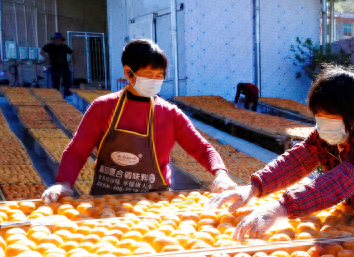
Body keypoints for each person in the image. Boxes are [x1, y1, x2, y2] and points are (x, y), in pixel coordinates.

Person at [210, 66, 354, 240]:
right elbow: (298, 159)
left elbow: (338, 183)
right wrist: (255, 187)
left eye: (330, 117)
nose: (323, 124)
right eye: (319, 116)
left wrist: (282, 207)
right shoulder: (327, 135)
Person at [41, 39, 238, 201]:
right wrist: (64, 183)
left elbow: (201, 148)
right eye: (149, 75)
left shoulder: (169, 113)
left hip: (156, 201)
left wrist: (220, 174)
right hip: (107, 201)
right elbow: (77, 150)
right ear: (129, 73)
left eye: (159, 76)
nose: (155, 80)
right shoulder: (103, 107)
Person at [41, 32, 73, 97]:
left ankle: (67, 95)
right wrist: (47, 57)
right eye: (56, 39)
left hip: (64, 66)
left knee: (67, 81)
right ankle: (56, 96)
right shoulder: (49, 46)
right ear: (54, 40)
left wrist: (71, 61)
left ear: (61, 40)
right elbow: (42, 52)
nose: (58, 41)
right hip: (55, 67)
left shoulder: (64, 47)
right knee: (56, 82)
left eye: (59, 39)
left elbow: (71, 52)